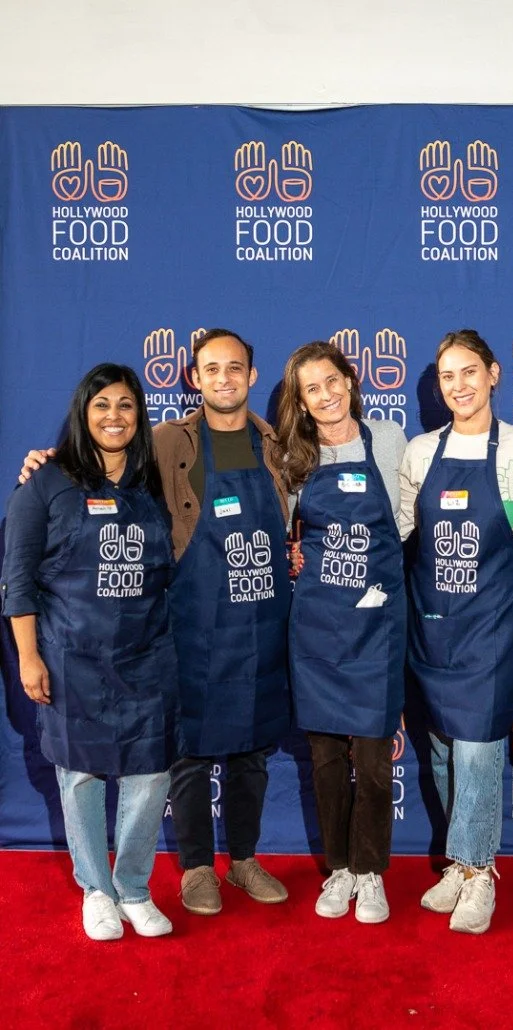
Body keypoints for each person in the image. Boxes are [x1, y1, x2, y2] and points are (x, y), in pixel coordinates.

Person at [19, 329, 292, 917]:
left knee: (252, 752)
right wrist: (44, 465)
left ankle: (243, 858)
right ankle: (197, 868)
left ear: (251, 374)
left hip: (262, 621)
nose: (224, 378)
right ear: (194, 378)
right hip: (190, 622)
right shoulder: (167, 441)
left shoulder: (275, 443)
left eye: (235, 368)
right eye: (211, 368)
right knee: (187, 749)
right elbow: (98, 470)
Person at [2, 364, 184, 941]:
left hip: (148, 654)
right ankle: (96, 891)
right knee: (80, 776)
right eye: (101, 404)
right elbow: (18, 580)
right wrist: (29, 658)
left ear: (139, 415)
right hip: (71, 658)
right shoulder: (46, 481)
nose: (114, 416)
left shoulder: (151, 481)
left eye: (126, 405)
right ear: (83, 412)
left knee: (151, 777)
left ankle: (133, 886)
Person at [400, 329, 513, 934]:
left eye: (468, 372)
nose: (457, 386)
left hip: (494, 622)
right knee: (440, 744)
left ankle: (481, 869)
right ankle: (459, 866)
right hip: (433, 622)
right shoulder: (418, 451)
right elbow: (406, 534)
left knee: (480, 745)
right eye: (446, 377)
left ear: (492, 374)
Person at [278, 341, 407, 923]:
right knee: (327, 760)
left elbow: (406, 522)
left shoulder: (388, 440)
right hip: (319, 627)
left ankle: (371, 872)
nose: (326, 395)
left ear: (350, 381)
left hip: (377, 626)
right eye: (312, 389)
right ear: (301, 403)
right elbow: (281, 530)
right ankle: (338, 869)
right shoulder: (292, 458)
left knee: (376, 763)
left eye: (333, 381)